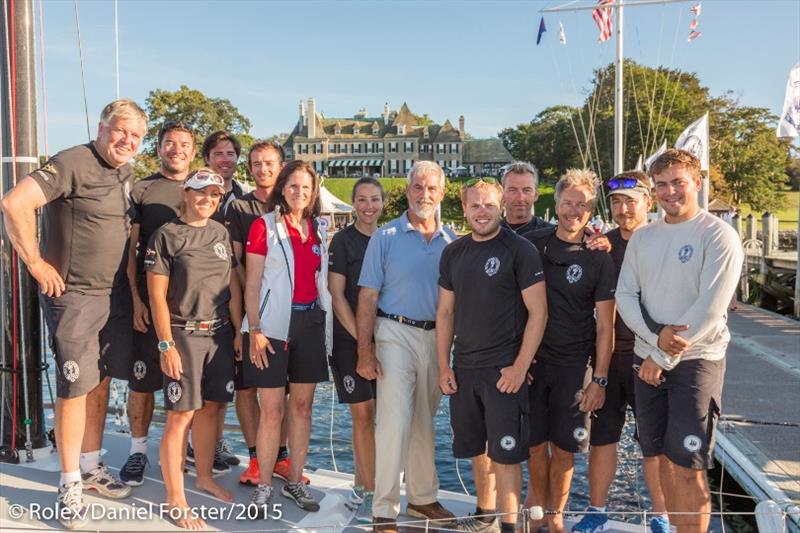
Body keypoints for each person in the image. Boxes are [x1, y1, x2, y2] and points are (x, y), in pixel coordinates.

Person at [1, 99, 146, 529]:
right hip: (74, 295)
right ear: (102, 128)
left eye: (136, 137)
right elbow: (14, 203)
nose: (127, 141)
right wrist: (35, 263)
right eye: (120, 131)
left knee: (99, 379)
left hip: (114, 295)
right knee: (73, 387)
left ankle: (90, 464)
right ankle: (68, 483)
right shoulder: (72, 161)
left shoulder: (125, 172)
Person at [616, 149, 743, 533]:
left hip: (696, 362)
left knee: (688, 465)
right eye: (662, 184)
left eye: (678, 182)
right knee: (661, 459)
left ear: (697, 183)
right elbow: (624, 295)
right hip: (648, 360)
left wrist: (661, 355)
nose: (671, 191)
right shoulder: (644, 238)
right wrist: (655, 340)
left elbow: (710, 309)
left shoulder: (718, 235)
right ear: (653, 192)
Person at [437, 178, 548, 533]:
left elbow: (539, 313)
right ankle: (485, 514)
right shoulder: (453, 253)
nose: (481, 212)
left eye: (488, 205)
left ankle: (510, 527)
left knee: (507, 454)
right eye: (474, 206)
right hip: (465, 368)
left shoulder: (519, 250)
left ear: (500, 206)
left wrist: (520, 366)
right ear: (464, 209)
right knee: (477, 450)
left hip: (504, 371)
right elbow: (445, 314)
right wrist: (443, 365)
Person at [357, 161, 457, 530]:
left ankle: (422, 499)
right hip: (393, 332)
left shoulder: (454, 244)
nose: (424, 195)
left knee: (423, 422)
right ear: (408, 190)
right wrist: (364, 350)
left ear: (442, 193)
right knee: (394, 421)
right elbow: (367, 297)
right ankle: (383, 509)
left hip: (436, 340)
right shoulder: (385, 237)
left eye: (431, 189)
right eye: (418, 187)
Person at [571, 171, 669, 533]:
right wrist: (595, 370)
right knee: (603, 437)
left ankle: (661, 515)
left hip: (651, 356)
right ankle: (597, 510)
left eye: (631, 200)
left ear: (648, 202)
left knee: (653, 443)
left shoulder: (663, 242)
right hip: (609, 356)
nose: (623, 208)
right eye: (616, 202)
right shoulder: (601, 246)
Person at [522, 169, 616, 533]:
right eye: (567, 202)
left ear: (591, 210)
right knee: (534, 446)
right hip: (534, 363)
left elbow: (607, 325)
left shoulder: (598, 256)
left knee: (564, 448)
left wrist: (600, 379)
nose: (573, 210)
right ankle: (537, 510)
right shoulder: (533, 244)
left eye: (581, 204)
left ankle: (555, 515)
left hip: (575, 364)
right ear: (556, 203)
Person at [147, 169, 240, 529]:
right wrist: (165, 344)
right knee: (181, 414)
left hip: (217, 333)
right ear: (186, 193)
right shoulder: (166, 236)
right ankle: (175, 497)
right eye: (201, 193)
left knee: (211, 408)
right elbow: (156, 296)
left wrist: (237, 333)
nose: (208, 200)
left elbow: (229, 284)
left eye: (215, 195)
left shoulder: (220, 232)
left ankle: (203, 476)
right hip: (182, 335)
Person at [242, 160, 332, 514]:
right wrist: (255, 329)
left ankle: (294, 479)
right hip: (273, 329)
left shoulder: (317, 229)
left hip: (309, 324)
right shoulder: (263, 226)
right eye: (293, 186)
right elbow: (251, 283)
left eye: (306, 188)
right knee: (272, 412)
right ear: (282, 188)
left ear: (313, 194)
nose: (299, 193)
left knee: (303, 408)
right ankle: (264, 485)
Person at [120, 120, 197, 486]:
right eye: (170, 143)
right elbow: (130, 252)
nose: (177, 149)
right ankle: (138, 451)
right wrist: (136, 299)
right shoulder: (142, 189)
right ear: (159, 147)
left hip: (190, 308)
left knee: (189, 380)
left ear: (193, 151)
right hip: (149, 302)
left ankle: (189, 448)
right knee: (142, 381)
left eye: (184, 144)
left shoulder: (203, 187)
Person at [224, 140, 289, 486]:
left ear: (281, 165)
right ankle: (254, 457)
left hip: (289, 314)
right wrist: (241, 327)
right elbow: (236, 269)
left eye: (269, 163)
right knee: (247, 389)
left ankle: (281, 456)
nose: (263, 169)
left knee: (289, 392)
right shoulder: (239, 207)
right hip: (254, 314)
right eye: (256, 164)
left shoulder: (295, 200)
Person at [328, 177, 386, 521]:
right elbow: (337, 295)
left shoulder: (388, 239)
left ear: (383, 203)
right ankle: (366, 489)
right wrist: (363, 341)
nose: (368, 206)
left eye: (374, 200)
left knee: (385, 418)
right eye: (362, 200)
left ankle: (375, 482)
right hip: (351, 341)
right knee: (363, 416)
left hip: (386, 341)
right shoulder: (343, 241)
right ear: (353, 204)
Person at [201, 130, 246, 465]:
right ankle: (196, 444)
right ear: (207, 158)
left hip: (235, 294)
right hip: (200, 296)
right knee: (197, 381)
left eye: (230, 153)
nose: (225, 159)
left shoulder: (244, 199)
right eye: (219, 153)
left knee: (223, 375)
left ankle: (215, 441)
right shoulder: (198, 194)